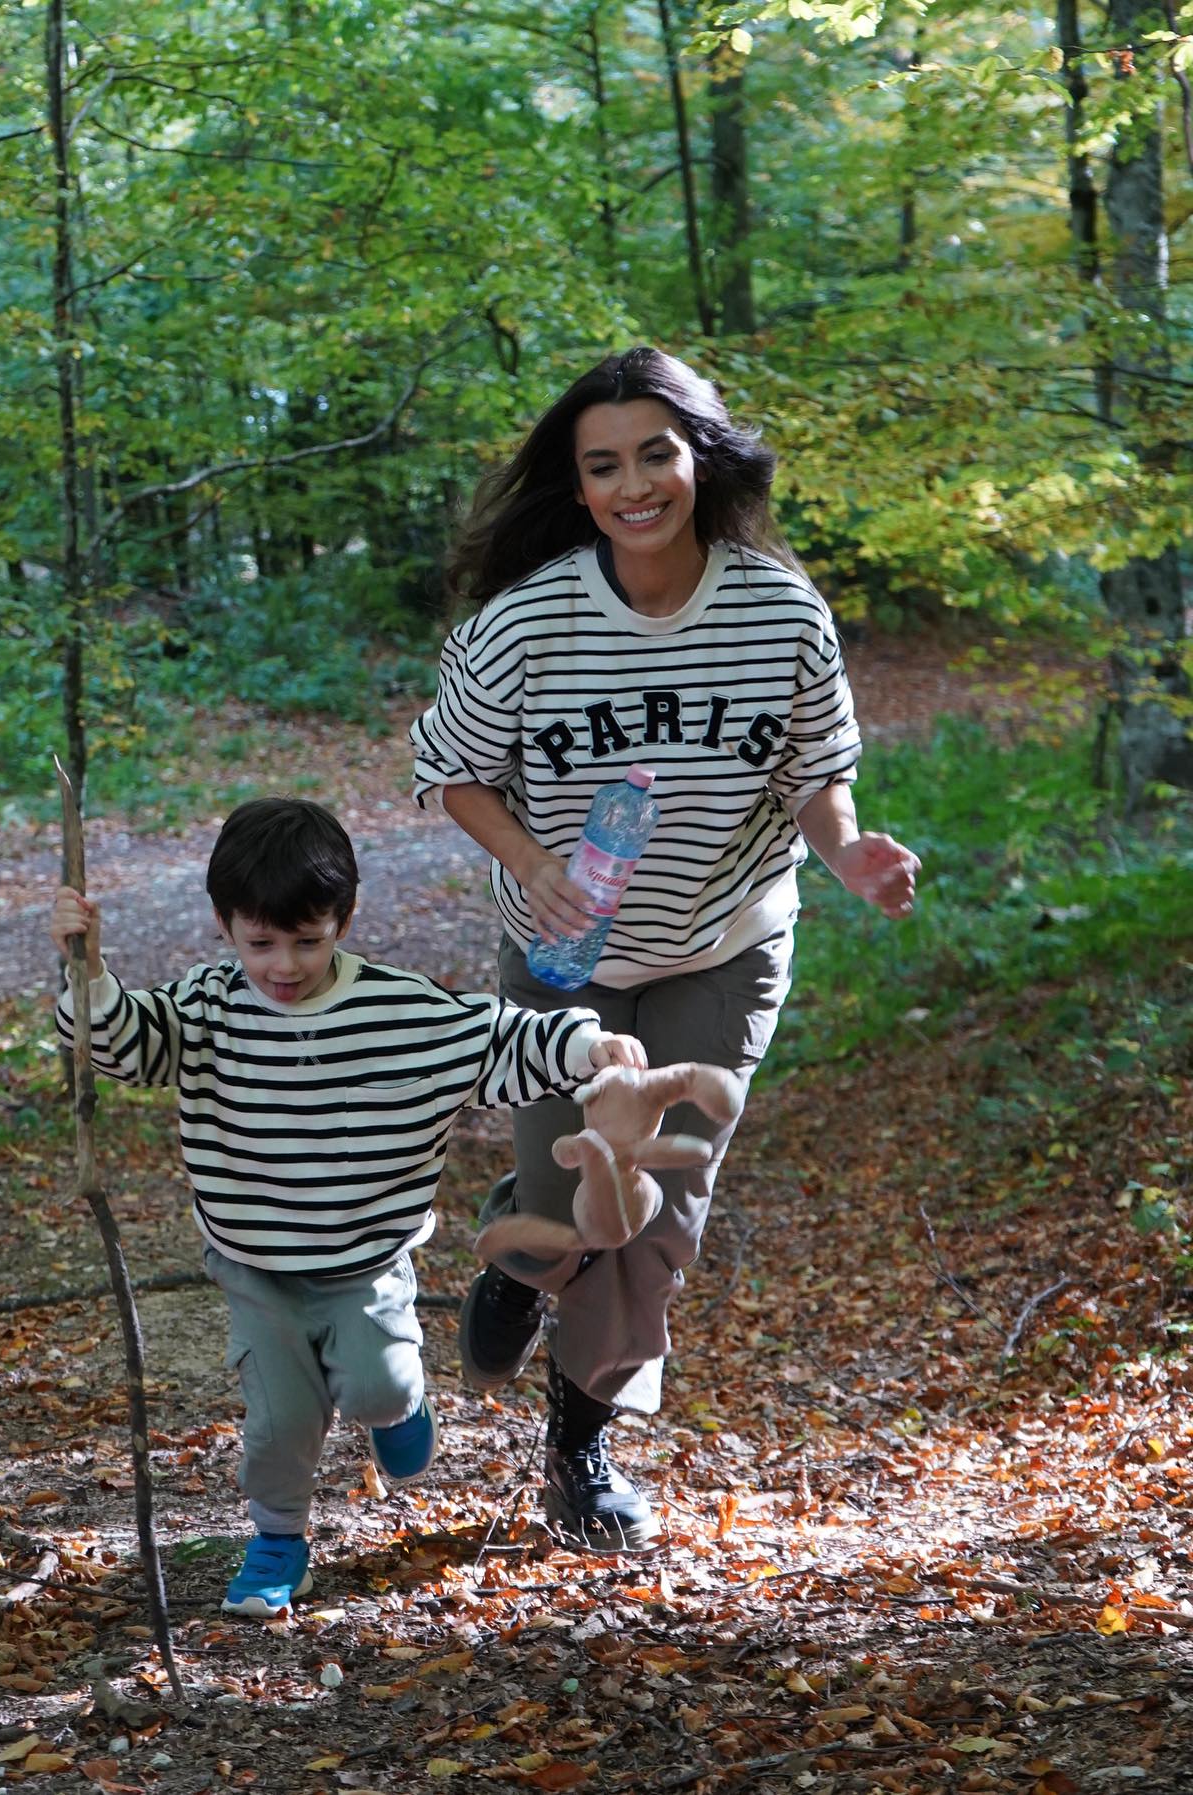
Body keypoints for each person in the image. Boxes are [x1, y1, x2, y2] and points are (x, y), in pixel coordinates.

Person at [410, 345, 921, 1552]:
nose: (634, 483)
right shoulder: (523, 625)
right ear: (577, 488)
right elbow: (451, 772)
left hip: (724, 941)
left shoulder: (779, 611)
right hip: (564, 961)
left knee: (655, 1205)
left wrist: (847, 854)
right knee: (569, 1199)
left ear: (701, 458)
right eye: (604, 465)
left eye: (656, 452)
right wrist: (532, 862)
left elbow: (819, 776)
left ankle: (579, 1449)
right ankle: (522, 1243)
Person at [49, 797, 645, 1616]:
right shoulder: (206, 1008)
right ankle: (277, 1540)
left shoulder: (401, 1012)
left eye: (307, 940)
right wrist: (85, 969)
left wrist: (589, 1046)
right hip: (255, 1267)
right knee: (280, 1420)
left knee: (377, 1386)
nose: (283, 965)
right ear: (225, 925)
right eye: (259, 942)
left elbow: (500, 1038)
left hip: (364, 1262)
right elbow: (119, 1040)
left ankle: (398, 1403)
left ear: (344, 919)